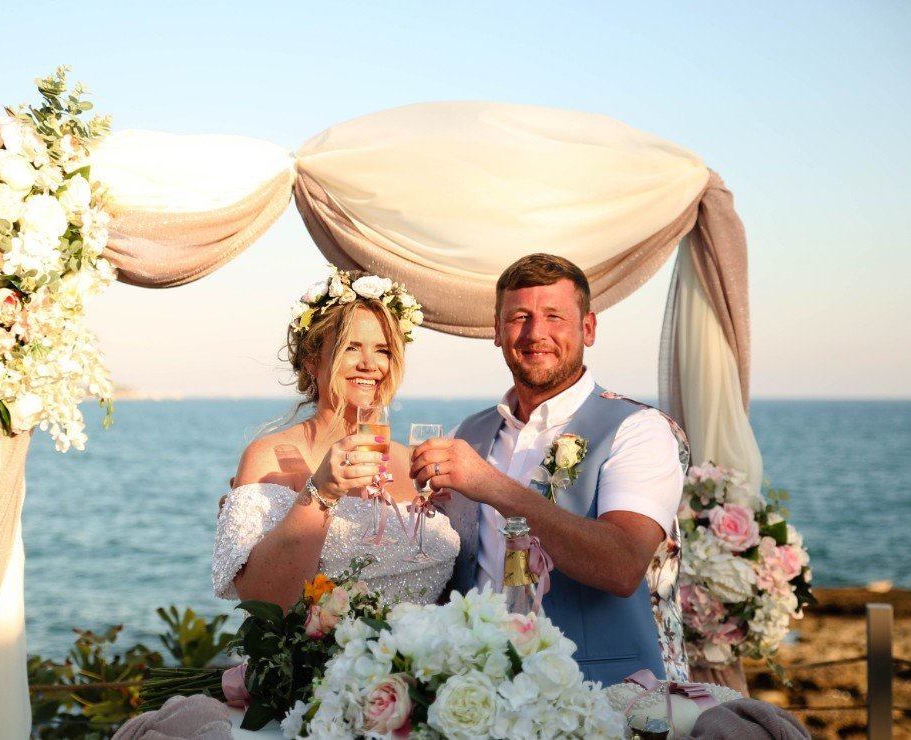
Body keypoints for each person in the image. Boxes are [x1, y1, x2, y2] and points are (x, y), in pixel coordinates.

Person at [410, 253, 687, 685]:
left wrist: (491, 485)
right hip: (473, 691)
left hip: (601, 698)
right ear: (498, 333)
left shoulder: (640, 430)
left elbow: (622, 565)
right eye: (519, 317)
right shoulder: (472, 432)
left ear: (588, 328)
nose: (535, 332)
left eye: (554, 316)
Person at [212, 267, 459, 609]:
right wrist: (322, 492)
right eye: (351, 348)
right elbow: (262, 601)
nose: (369, 364)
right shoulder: (267, 459)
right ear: (313, 361)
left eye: (384, 350)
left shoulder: (413, 463)